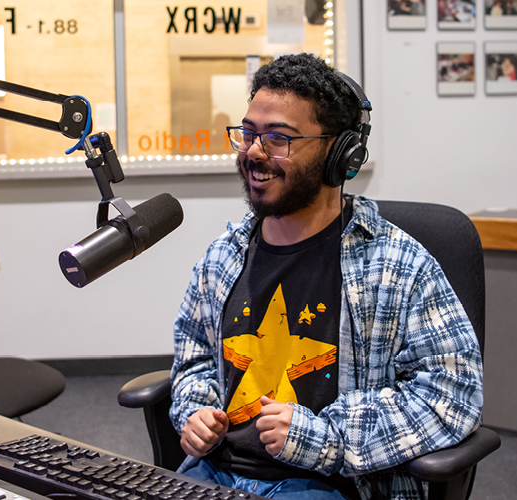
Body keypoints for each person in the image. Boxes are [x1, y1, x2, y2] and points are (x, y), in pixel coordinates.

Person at [169, 53, 483, 500]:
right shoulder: (223, 257)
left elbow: (453, 394)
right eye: (248, 133)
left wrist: (325, 438)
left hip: (328, 483)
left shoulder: (396, 265)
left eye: (279, 138)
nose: (254, 152)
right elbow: (194, 360)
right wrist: (195, 409)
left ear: (340, 154)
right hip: (216, 471)